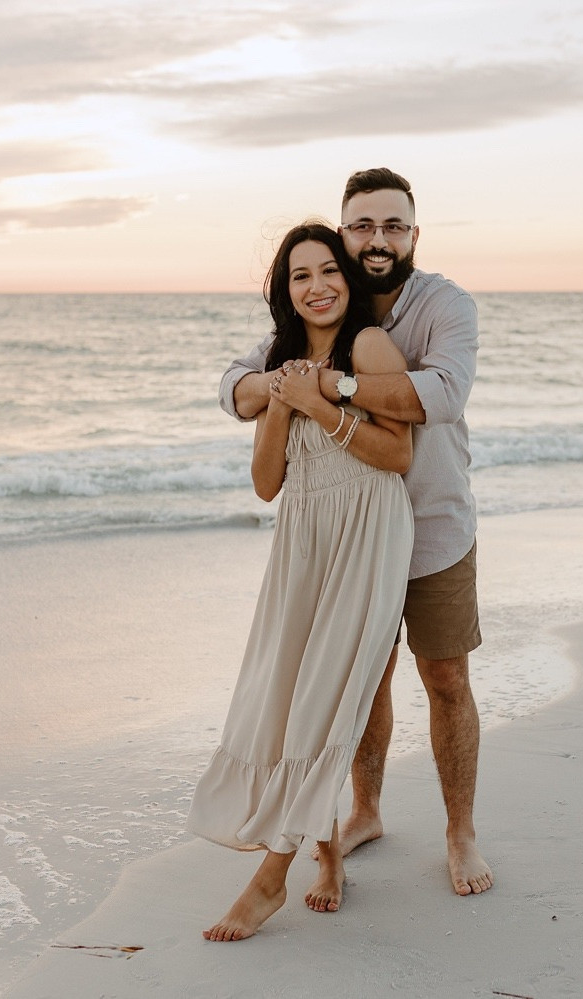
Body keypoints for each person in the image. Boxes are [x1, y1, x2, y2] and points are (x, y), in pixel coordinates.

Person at [218, 168, 493, 897]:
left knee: (443, 676)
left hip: (430, 522)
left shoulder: (442, 305)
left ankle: (459, 831)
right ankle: (364, 811)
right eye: (363, 226)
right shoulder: (323, 297)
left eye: (392, 226)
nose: (377, 240)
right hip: (344, 536)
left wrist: (328, 387)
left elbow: (439, 394)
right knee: (358, 682)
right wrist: (277, 386)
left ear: (413, 234)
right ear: (344, 233)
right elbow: (238, 383)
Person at [188, 221, 415, 941]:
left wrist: (320, 403)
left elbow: (399, 453)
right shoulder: (279, 363)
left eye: (327, 271)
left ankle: (267, 881)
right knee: (289, 693)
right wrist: (281, 401)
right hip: (303, 536)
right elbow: (264, 484)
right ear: (283, 290)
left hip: (369, 530)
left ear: (348, 280)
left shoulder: (368, 347)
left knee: (329, 695)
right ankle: (327, 858)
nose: (316, 286)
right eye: (299, 275)